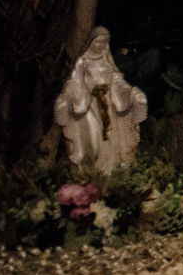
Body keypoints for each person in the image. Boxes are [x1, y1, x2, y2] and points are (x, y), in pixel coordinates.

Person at [51, 27, 148, 174]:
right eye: (98, 42)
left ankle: (108, 175)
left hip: (108, 105)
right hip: (90, 105)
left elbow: (116, 80)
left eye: (104, 42)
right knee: (93, 139)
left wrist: (130, 93)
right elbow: (74, 83)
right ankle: (90, 173)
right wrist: (66, 98)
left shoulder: (106, 61)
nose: (101, 45)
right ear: (91, 42)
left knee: (110, 140)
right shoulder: (82, 62)